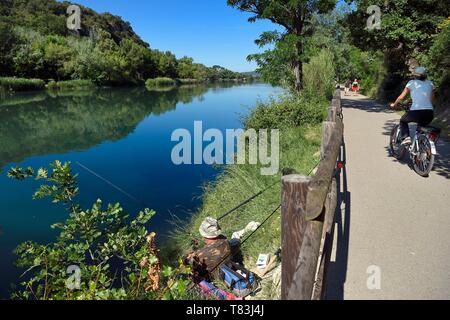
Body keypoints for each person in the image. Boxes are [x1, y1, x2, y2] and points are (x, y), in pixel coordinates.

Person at [390, 67, 435, 145]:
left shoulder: (411, 83)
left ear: (415, 75)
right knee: (421, 129)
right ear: (425, 75)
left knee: (403, 120)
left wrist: (394, 104)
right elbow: (431, 98)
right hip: (429, 113)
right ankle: (421, 150)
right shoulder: (430, 83)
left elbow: (401, 97)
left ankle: (406, 138)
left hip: (416, 111)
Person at [184, 217, 233, 282]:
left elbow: (188, 263)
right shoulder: (224, 239)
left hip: (215, 276)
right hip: (229, 266)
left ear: (204, 235)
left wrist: (189, 256)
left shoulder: (201, 254)